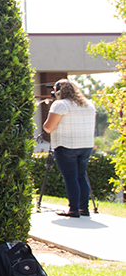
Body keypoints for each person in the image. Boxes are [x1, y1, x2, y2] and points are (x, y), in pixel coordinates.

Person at [43, 79, 97, 218]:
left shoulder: (60, 105)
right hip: (86, 145)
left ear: (59, 92)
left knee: (70, 177)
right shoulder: (88, 104)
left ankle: (73, 209)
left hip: (66, 145)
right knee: (81, 176)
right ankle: (83, 208)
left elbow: (48, 128)